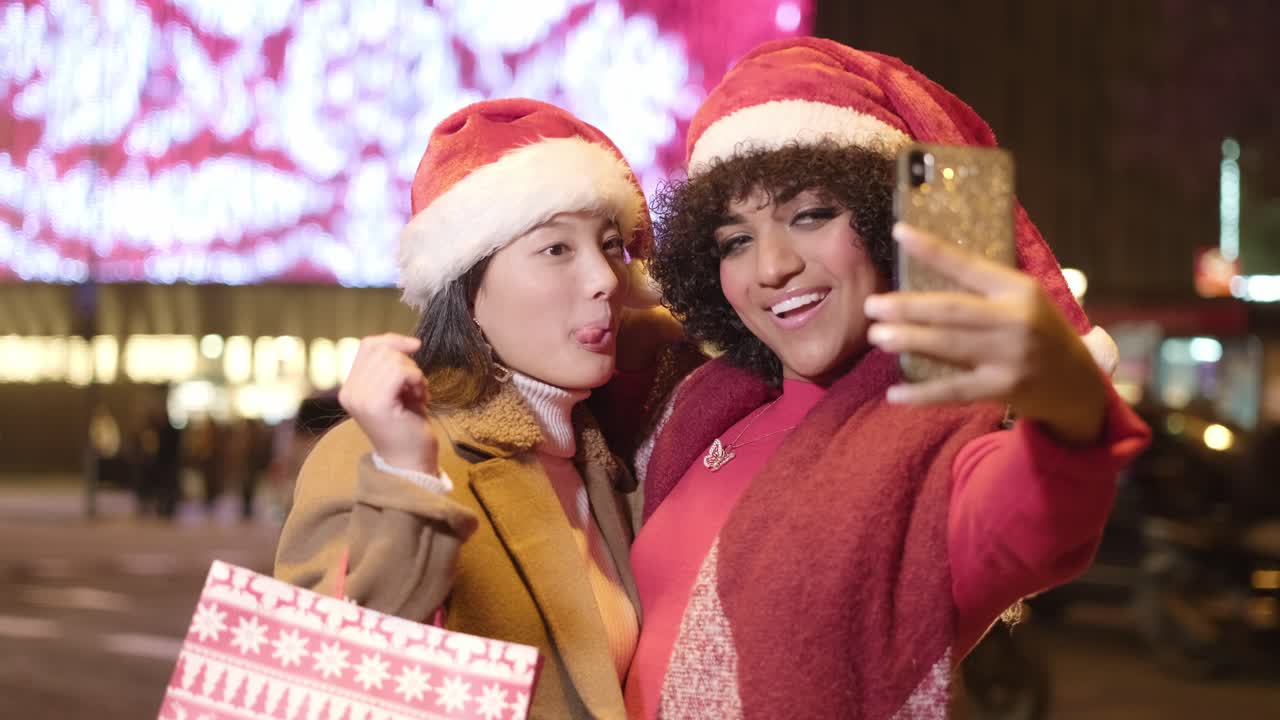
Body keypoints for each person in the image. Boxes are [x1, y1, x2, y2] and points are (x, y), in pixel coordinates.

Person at [622, 38, 1152, 719]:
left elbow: (1041, 513)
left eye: (810, 215)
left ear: (887, 224)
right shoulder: (702, 413)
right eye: (735, 241)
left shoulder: (934, 447)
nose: (772, 266)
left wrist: (1068, 397)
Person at [275, 98, 655, 719]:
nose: (606, 280)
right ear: (466, 289)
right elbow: (341, 684)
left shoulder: (592, 454)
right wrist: (404, 473)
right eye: (556, 249)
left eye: (611, 246)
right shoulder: (379, 453)